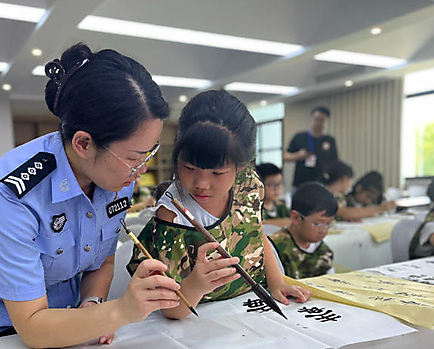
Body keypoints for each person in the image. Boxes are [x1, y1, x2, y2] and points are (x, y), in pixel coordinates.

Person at [0, 43, 181, 349]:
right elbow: (33, 327)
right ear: (83, 144)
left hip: (69, 312)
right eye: (134, 158)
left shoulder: (117, 176)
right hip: (7, 332)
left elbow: (101, 261)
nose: (141, 171)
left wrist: (92, 304)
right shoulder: (9, 196)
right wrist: (119, 311)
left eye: (148, 154)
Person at [127, 90, 310, 320]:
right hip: (200, 318)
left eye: (217, 172)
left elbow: (255, 231)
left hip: (248, 306)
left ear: (241, 166)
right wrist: (195, 285)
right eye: (189, 168)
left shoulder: (249, 185)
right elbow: (171, 309)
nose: (201, 184)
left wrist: (276, 282)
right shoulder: (172, 212)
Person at [269, 182, 337, 279]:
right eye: (317, 224)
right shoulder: (275, 248)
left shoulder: (323, 250)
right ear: (296, 218)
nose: (323, 230)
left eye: (328, 224)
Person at [283, 106, 338, 190]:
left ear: (327, 122)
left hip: (321, 184)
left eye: (322, 120)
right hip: (300, 183)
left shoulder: (330, 140)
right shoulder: (299, 137)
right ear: (311, 119)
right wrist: (297, 156)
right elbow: (285, 156)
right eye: (316, 119)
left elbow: (335, 162)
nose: (319, 123)